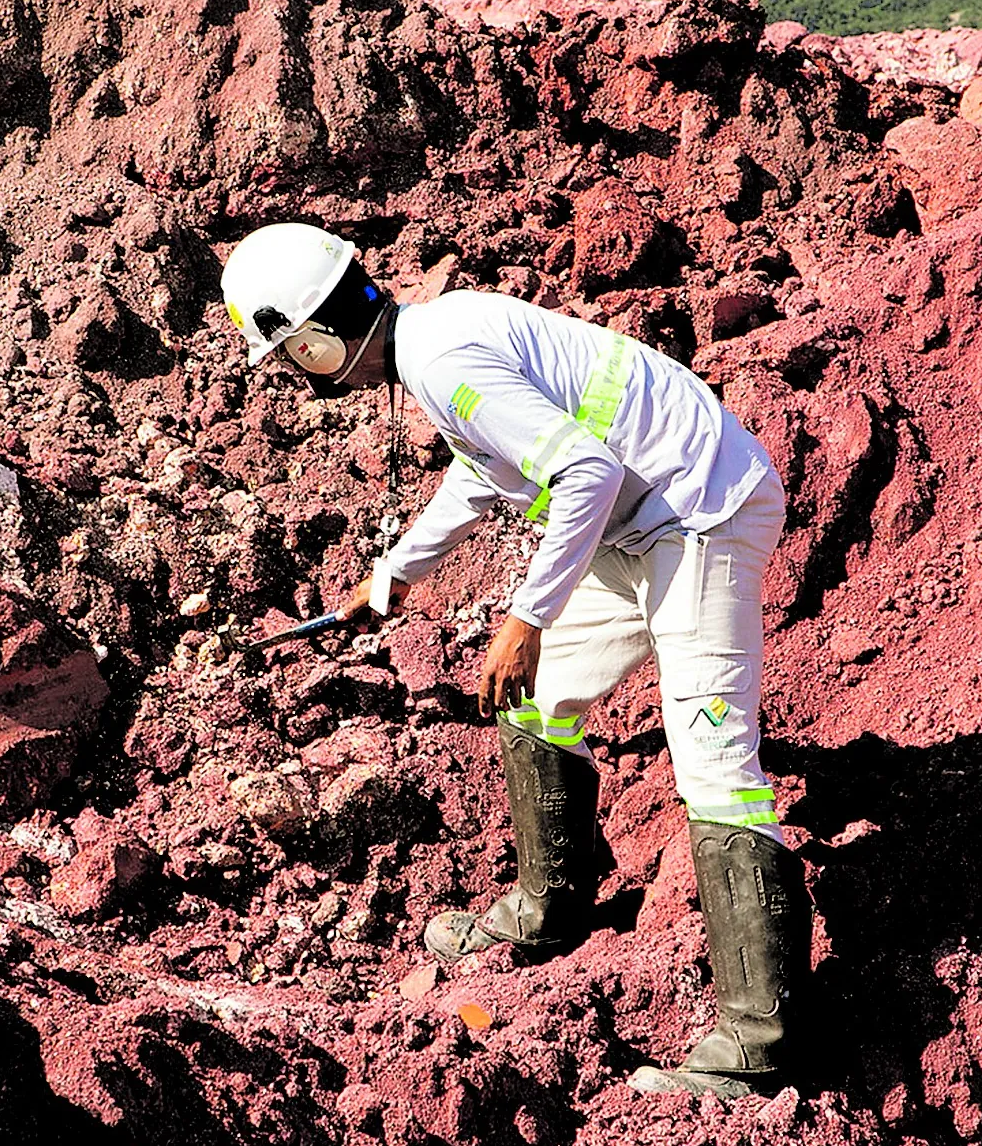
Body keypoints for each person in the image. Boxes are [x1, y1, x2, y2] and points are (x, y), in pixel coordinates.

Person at [220, 222, 810, 1098]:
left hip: (701, 513)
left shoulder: (440, 357)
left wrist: (527, 616)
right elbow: (485, 470)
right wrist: (392, 576)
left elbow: (585, 470)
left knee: (714, 761)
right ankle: (550, 905)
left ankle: (759, 1044)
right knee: (535, 698)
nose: (299, 374)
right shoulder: (432, 342)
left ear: (313, 340)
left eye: (291, 356)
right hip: (639, 526)